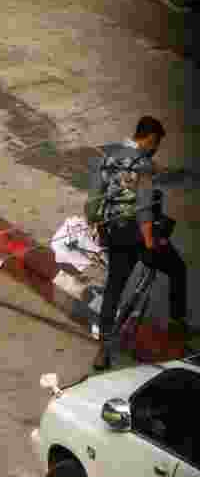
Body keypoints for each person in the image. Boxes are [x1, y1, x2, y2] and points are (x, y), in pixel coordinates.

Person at [87, 117, 190, 371]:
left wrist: (96, 223)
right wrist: (149, 241)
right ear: (151, 139)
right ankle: (177, 324)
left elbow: (94, 198)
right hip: (136, 235)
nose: (155, 149)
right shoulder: (142, 165)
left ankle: (103, 349)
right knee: (177, 268)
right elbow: (144, 208)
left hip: (113, 232)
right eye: (156, 144)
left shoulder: (109, 157)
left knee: (113, 288)